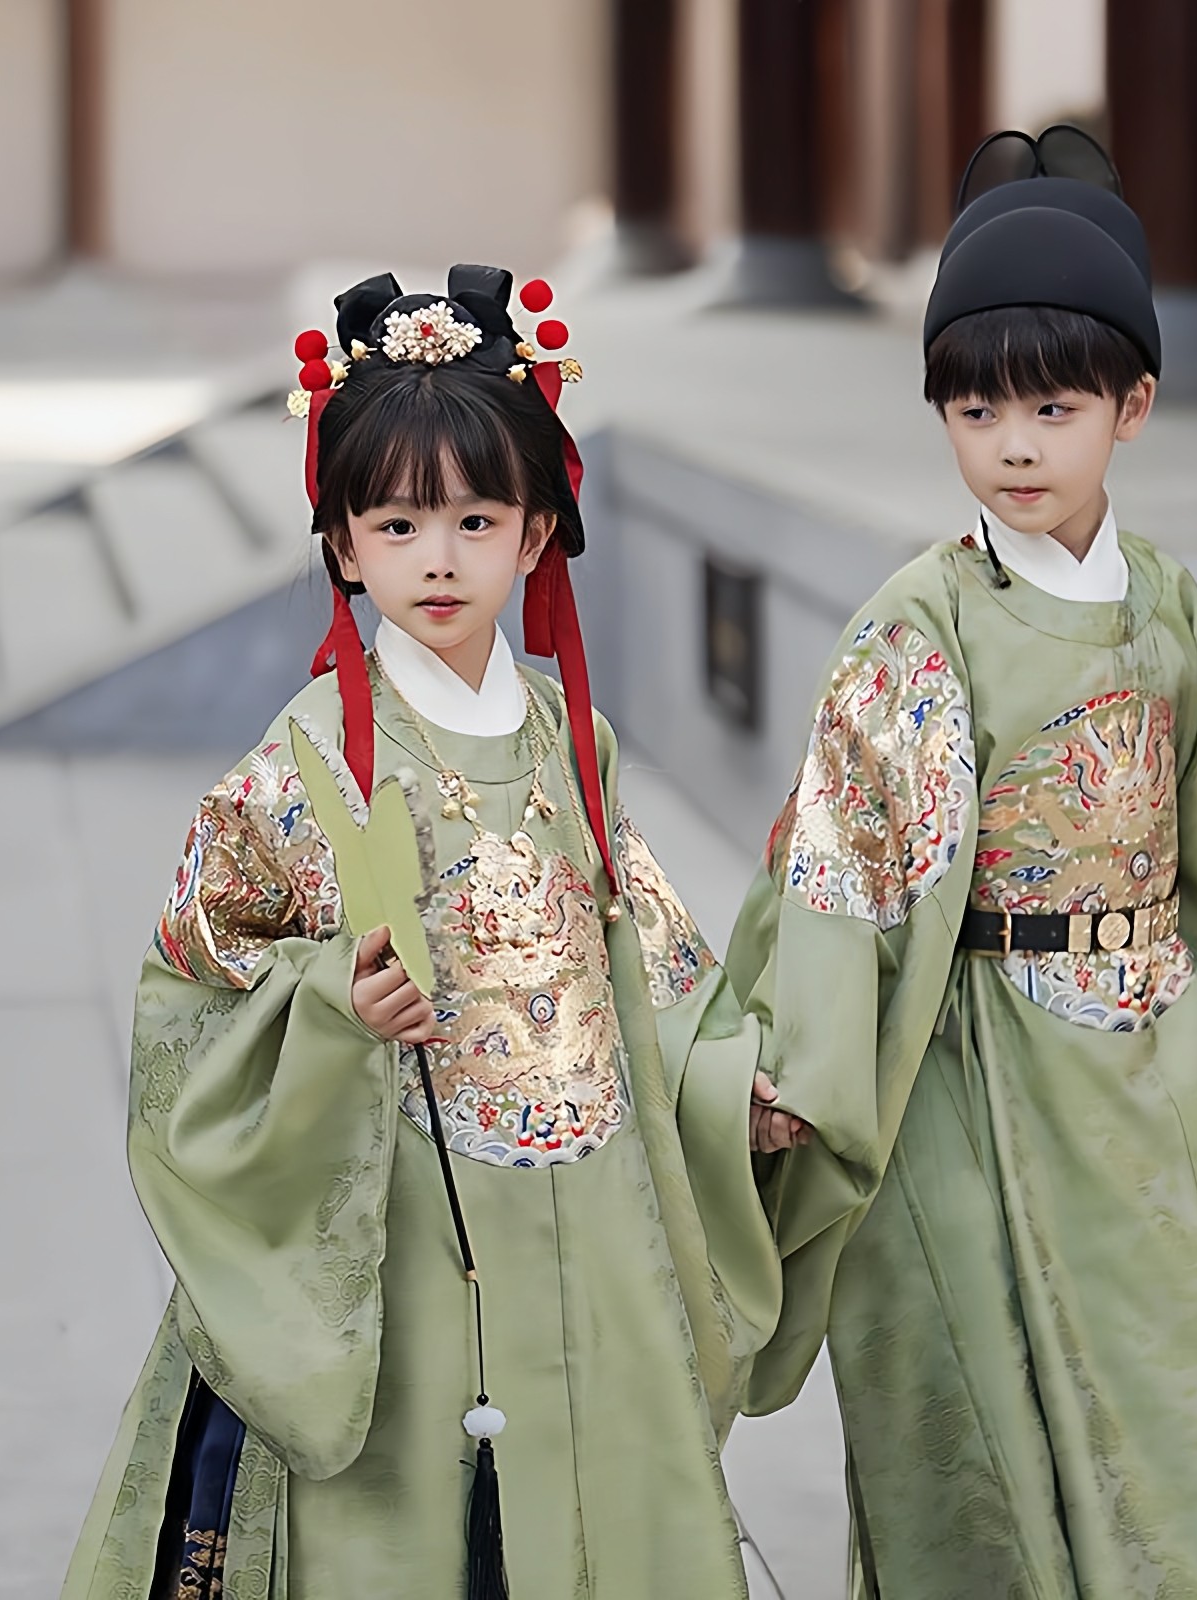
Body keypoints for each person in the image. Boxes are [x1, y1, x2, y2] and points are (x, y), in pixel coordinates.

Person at [729, 129, 1197, 1598]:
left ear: (1136, 405)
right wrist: (797, 1068)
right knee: (999, 1417)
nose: (1017, 446)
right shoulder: (918, 626)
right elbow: (844, 872)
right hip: (980, 1071)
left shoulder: (1158, 592)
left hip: (1155, 1060)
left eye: (1055, 405)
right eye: (977, 409)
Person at [60, 265, 798, 1600]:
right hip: (400, 1231)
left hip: (587, 1214)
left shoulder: (575, 743)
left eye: (475, 516)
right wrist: (333, 997)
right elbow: (195, 977)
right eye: (397, 524)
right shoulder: (296, 775)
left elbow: (653, 967)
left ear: (536, 534)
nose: (440, 557)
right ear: (343, 544)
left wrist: (726, 1080)